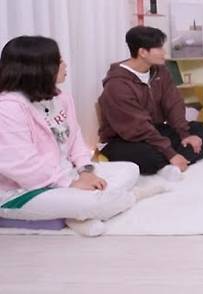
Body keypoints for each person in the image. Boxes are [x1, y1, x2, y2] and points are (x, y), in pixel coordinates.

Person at [0, 36, 163, 236]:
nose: (65, 65)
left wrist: (85, 171)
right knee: (91, 201)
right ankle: (130, 197)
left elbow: (75, 140)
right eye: (59, 61)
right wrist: (69, 183)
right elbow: (23, 167)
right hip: (24, 191)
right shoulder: (8, 109)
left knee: (130, 168)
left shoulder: (60, 97)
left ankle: (76, 215)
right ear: (38, 68)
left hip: (65, 175)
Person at [98, 26, 203, 180]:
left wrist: (185, 134)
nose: (164, 52)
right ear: (143, 52)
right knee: (150, 156)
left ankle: (168, 164)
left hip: (154, 130)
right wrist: (170, 153)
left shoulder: (161, 72)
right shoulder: (117, 85)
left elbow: (174, 103)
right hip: (124, 138)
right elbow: (137, 126)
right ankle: (171, 161)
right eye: (159, 48)